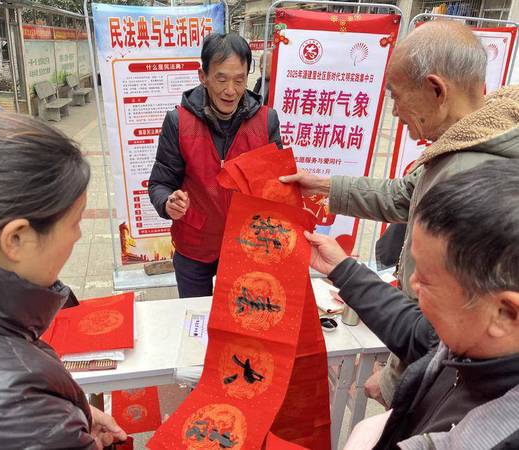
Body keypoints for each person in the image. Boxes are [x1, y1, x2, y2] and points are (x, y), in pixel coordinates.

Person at [281, 20, 519, 406]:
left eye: (396, 95)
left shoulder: (470, 176)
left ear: (436, 89)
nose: (394, 111)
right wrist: (324, 186)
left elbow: (449, 327)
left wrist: (397, 381)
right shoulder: (467, 144)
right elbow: (404, 196)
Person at [0, 113, 127, 449]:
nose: (79, 235)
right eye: (75, 222)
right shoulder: (16, 412)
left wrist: (71, 416)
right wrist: (53, 426)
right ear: (15, 238)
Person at [307, 160, 519, 449]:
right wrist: (343, 269)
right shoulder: (471, 344)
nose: (412, 283)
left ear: (505, 314)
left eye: (427, 280)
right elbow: (417, 330)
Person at [148, 33, 282, 298]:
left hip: (247, 246)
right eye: (221, 79)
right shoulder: (178, 122)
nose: (230, 90)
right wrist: (167, 203)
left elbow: (276, 188)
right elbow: (161, 183)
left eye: (239, 80)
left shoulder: (266, 121)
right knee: (194, 314)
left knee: (239, 318)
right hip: (194, 244)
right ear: (203, 76)